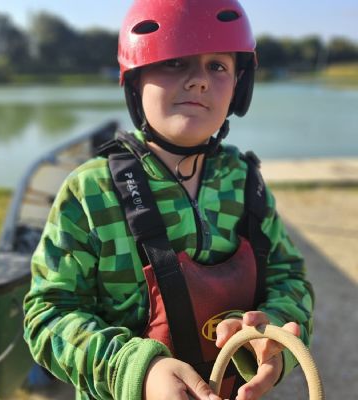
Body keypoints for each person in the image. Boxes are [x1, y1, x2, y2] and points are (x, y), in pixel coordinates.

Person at [23, 1, 314, 399]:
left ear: (239, 87)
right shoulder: (90, 192)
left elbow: (289, 277)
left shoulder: (246, 182)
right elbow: (48, 314)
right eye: (175, 62)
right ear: (135, 80)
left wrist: (276, 332)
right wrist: (137, 371)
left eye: (218, 66)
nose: (199, 81)